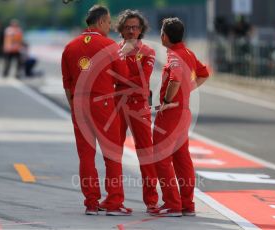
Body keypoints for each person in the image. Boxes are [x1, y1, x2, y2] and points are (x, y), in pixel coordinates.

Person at [61, 5, 132, 216]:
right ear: (100, 22)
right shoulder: (110, 45)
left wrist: (74, 106)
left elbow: (67, 84)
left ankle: (91, 203)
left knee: (86, 155)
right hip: (103, 104)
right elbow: (125, 77)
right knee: (112, 154)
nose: (110, 27)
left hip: (79, 104)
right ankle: (114, 202)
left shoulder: (70, 47)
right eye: (109, 22)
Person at [98, 9, 159, 213]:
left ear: (141, 30)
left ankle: (151, 200)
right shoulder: (113, 50)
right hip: (117, 104)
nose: (132, 31)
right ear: (121, 30)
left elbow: (142, 80)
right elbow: (108, 77)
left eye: (135, 27)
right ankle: (114, 199)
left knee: (146, 153)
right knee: (113, 153)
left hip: (138, 105)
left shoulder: (148, 51)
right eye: (128, 28)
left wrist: (121, 77)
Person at [150, 17, 209, 217]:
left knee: (162, 158)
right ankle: (186, 203)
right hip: (184, 111)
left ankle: (172, 204)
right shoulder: (189, 53)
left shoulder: (174, 56)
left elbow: (174, 78)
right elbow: (204, 73)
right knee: (182, 158)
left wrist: (167, 100)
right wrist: (188, 89)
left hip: (171, 113)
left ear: (164, 36)